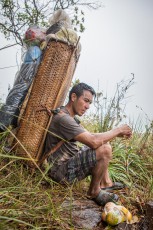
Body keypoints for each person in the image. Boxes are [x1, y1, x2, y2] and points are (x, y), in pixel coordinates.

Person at [44, 82, 132, 206]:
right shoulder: (64, 119)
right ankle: (94, 192)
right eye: (85, 101)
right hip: (59, 173)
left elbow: (92, 137)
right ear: (73, 97)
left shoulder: (70, 117)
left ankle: (106, 183)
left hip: (67, 165)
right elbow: (93, 141)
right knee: (104, 149)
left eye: (89, 103)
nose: (88, 106)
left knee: (102, 143)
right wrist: (118, 130)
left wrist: (116, 134)